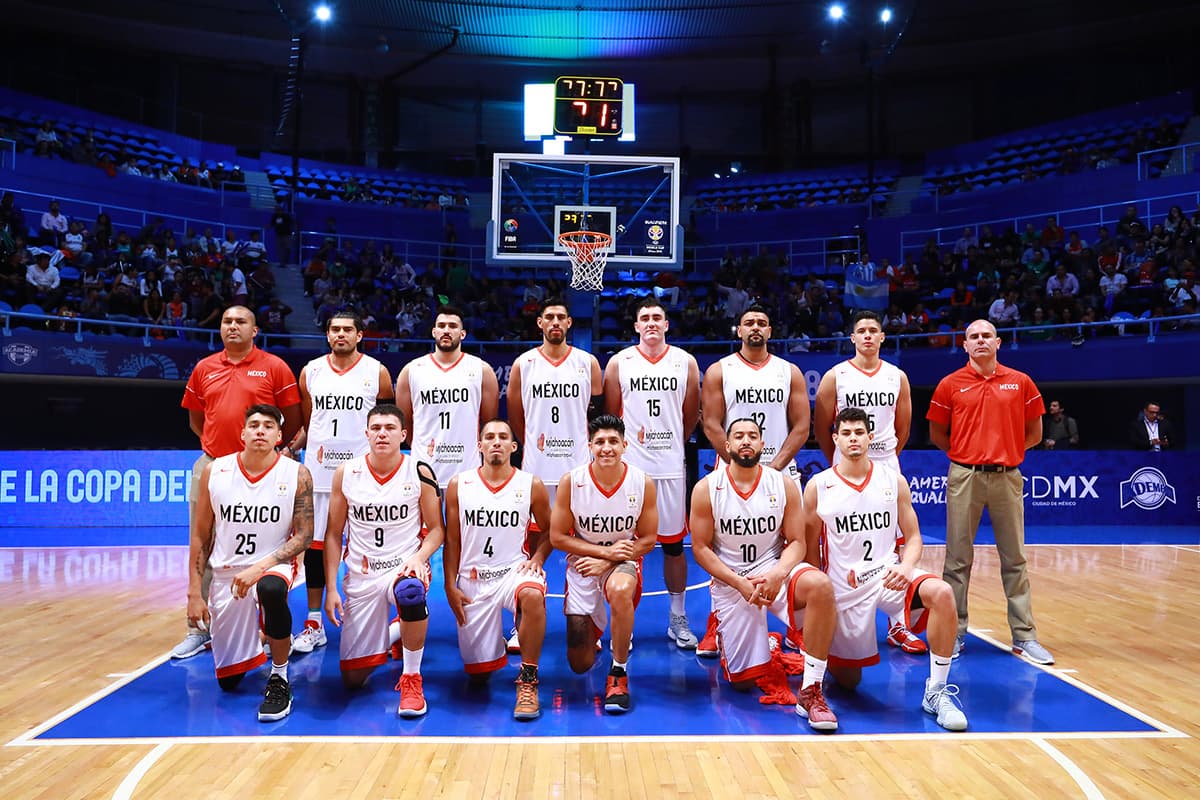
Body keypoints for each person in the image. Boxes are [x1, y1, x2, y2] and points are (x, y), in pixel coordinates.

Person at [804, 408, 968, 731]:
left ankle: (936, 692)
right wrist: (817, 604)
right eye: (846, 433)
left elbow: (915, 537)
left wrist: (907, 567)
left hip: (890, 579)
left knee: (943, 593)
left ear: (870, 437)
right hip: (844, 591)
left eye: (859, 433)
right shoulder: (819, 486)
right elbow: (810, 552)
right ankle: (820, 669)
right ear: (835, 438)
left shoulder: (893, 481)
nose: (853, 439)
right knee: (849, 682)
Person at [690, 418, 840, 732]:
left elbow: (797, 542)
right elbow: (701, 548)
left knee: (820, 586)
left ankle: (811, 691)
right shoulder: (707, 488)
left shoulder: (783, 484)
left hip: (775, 571)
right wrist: (739, 582)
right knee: (743, 684)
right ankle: (750, 638)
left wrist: (777, 573)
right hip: (734, 582)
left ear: (762, 445)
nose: (746, 441)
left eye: (753, 436)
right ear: (727, 446)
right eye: (739, 436)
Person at [175, 306, 302, 659]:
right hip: (214, 465)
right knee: (204, 542)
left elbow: (291, 419)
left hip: (264, 471)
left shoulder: (274, 366)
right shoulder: (205, 368)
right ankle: (199, 629)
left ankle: (265, 627)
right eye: (227, 321)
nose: (232, 326)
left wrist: (281, 450)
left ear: (255, 329)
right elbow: (196, 421)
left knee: (265, 548)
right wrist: (223, 454)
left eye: (240, 321)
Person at [926, 319, 1053, 665]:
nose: (980, 340)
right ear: (964, 345)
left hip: (1008, 477)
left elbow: (1035, 433)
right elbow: (938, 435)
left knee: (1015, 558)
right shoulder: (950, 384)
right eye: (973, 337)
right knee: (956, 560)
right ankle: (954, 632)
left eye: (986, 336)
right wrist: (968, 454)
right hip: (964, 476)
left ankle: (1024, 636)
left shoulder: (1021, 382)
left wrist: (1006, 454)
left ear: (998, 343)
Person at [186, 404, 314, 722]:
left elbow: (304, 536)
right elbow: (201, 536)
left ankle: (280, 677)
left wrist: (261, 567)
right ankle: (259, 638)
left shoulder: (297, 473)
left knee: (271, 588)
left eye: (268, 426)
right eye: (254, 425)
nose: (260, 430)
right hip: (227, 572)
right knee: (229, 682)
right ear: (242, 433)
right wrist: (193, 593)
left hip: (274, 563)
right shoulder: (215, 472)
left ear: (279, 435)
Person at [698, 304, 810, 657]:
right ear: (739, 330)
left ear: (770, 331)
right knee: (722, 549)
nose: (755, 327)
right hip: (732, 469)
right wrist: (740, 463)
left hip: (780, 470)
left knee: (795, 545)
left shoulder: (788, 371)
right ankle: (716, 622)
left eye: (762, 322)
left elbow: (802, 427)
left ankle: (799, 626)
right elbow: (712, 424)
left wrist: (771, 469)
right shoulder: (720, 371)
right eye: (749, 323)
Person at [812, 310, 924, 655]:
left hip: (885, 463)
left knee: (892, 541)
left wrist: (882, 457)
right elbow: (823, 427)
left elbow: (903, 427)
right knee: (838, 536)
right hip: (844, 465)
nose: (867, 336)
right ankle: (827, 612)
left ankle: (898, 624)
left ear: (882, 337)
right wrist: (845, 456)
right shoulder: (836, 376)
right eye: (861, 331)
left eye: (873, 330)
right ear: (852, 338)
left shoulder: (896, 377)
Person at [322, 404, 445, 716]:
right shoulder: (346, 473)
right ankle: (395, 633)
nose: (382, 434)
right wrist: (331, 588)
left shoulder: (419, 471)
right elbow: (334, 534)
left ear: (403, 434)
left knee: (411, 593)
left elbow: (437, 530)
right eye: (375, 428)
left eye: (390, 428)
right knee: (352, 679)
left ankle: (412, 678)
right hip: (361, 575)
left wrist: (419, 557)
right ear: (366, 433)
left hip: (403, 566)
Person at [291, 312, 394, 654]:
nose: (340, 335)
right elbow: (309, 421)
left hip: (364, 475)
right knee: (316, 548)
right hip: (320, 475)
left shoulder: (376, 372)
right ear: (327, 335)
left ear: (359, 335)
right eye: (335, 330)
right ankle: (314, 621)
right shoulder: (311, 371)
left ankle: (383, 615)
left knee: (376, 548)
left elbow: (385, 420)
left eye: (347, 330)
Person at [505, 298, 602, 653]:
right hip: (536, 469)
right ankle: (523, 623)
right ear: (540, 324)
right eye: (550, 317)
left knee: (588, 545)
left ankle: (593, 622)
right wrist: (534, 444)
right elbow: (516, 416)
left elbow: (596, 414)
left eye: (562, 316)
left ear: (570, 322)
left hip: (577, 470)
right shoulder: (524, 364)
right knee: (532, 548)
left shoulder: (587, 363)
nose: (556, 322)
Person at [605, 297, 701, 650]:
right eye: (644, 317)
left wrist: (671, 442)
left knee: (674, 546)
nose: (650, 323)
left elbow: (690, 416)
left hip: (671, 467)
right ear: (635, 326)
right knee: (627, 548)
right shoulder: (619, 363)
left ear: (666, 324)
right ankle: (623, 621)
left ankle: (677, 617)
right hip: (630, 471)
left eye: (656, 317)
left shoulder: (685, 363)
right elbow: (613, 416)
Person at [443, 420, 553, 720]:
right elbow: (452, 540)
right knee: (479, 677)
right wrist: (449, 585)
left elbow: (550, 531)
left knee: (531, 593)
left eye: (503, 437)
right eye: (489, 437)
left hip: (512, 573)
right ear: (479, 446)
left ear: (513, 447)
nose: (496, 442)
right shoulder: (458, 485)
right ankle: (495, 643)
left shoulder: (531, 484)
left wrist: (538, 559)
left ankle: (528, 680)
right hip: (472, 580)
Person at [548, 415, 658, 714]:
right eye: (600, 442)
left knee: (621, 590)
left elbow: (648, 540)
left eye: (613, 442)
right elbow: (557, 537)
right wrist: (602, 554)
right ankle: (594, 633)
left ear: (625, 445)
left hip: (623, 560)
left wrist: (613, 558)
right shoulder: (572, 481)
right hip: (586, 561)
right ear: (589, 446)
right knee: (579, 664)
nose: (606, 448)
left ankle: (619, 672)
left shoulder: (642, 482)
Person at [395, 306, 500, 489]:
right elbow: (405, 424)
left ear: (463, 334)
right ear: (434, 331)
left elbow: (489, 423)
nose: (446, 330)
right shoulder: (411, 370)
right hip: (424, 469)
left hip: (467, 469)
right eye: (441, 325)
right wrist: (423, 449)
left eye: (452, 326)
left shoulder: (481, 370)